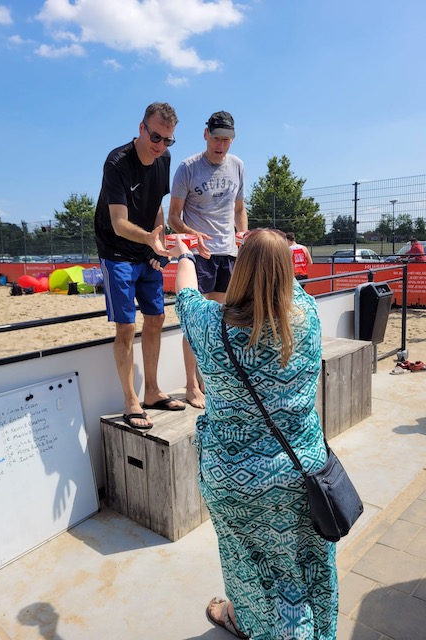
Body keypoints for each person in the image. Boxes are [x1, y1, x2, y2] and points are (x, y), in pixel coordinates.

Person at [171, 229, 338, 639]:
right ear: (287, 272)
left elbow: (186, 296)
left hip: (236, 478)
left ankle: (256, 623)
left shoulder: (212, 328)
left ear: (240, 271)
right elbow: (280, 283)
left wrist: (186, 255)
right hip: (304, 470)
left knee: (252, 566)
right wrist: (270, 249)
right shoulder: (309, 314)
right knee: (310, 560)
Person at [94, 102, 185, 429]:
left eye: (168, 140)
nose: (160, 146)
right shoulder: (117, 161)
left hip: (147, 247)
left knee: (158, 316)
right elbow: (118, 223)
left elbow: (158, 207)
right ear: (141, 128)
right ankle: (131, 400)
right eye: (156, 136)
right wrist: (150, 239)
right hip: (116, 250)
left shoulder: (164, 158)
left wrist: (159, 240)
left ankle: (152, 391)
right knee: (125, 326)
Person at [168, 111, 248, 408]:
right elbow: (173, 218)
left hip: (228, 253)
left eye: (227, 139)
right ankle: (191, 385)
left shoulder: (238, 165)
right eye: (216, 138)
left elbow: (239, 209)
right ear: (205, 134)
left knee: (222, 321)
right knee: (194, 324)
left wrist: (245, 235)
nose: (221, 145)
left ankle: (210, 381)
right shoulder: (187, 168)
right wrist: (193, 234)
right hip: (198, 256)